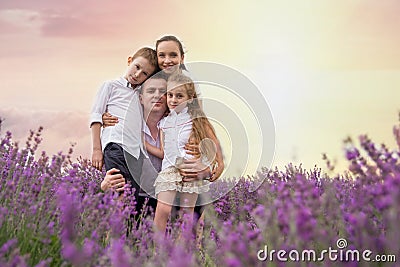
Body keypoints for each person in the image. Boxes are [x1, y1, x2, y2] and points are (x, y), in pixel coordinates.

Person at [150, 73, 219, 233]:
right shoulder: (164, 123)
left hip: (191, 172)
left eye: (179, 96)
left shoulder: (196, 120)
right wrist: (143, 142)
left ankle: (183, 252)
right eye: (170, 95)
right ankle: (157, 251)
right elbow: (163, 152)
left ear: (189, 98)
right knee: (163, 210)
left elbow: (211, 147)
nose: (173, 100)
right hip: (170, 170)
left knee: (187, 214)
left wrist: (204, 166)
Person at [90, 47, 159, 203]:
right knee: (119, 192)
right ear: (130, 61)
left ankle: (126, 226)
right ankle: (104, 221)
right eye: (137, 67)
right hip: (116, 146)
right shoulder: (111, 86)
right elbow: (95, 116)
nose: (137, 74)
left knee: (132, 198)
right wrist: (96, 150)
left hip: (135, 153)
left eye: (145, 74)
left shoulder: (142, 94)